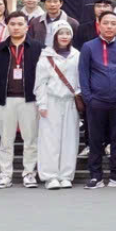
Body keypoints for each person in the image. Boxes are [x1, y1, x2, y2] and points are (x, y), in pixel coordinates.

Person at [78, 11, 116, 189]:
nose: (109, 26)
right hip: (96, 101)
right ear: (99, 25)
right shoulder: (88, 47)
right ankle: (96, 176)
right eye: (106, 23)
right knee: (95, 139)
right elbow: (83, 73)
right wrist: (88, 98)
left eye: (113, 23)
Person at [0, 10, 41, 188]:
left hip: (30, 99)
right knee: (6, 139)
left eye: (20, 24)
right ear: (7, 26)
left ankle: (29, 173)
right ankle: (5, 174)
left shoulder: (37, 48)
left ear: (27, 26)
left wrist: (42, 101)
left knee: (30, 139)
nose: (16, 27)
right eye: (13, 24)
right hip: (5, 99)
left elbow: (45, 76)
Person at [34, 21, 81, 190]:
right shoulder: (46, 55)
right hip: (51, 101)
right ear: (54, 36)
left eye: (67, 33)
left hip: (70, 102)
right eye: (61, 33)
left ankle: (66, 175)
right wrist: (42, 104)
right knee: (49, 140)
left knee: (70, 139)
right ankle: (50, 176)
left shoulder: (77, 55)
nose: (64, 37)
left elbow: (79, 78)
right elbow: (40, 82)